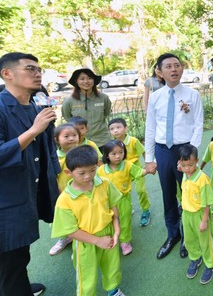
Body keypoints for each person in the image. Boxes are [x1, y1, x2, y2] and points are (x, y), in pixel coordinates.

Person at [0, 52, 60, 296]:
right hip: (0, 198)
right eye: (30, 68)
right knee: (12, 254)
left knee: (17, 251)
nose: (38, 73)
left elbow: (43, 151)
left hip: (25, 190)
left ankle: (7, 289)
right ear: (7, 74)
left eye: (39, 69)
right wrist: (35, 129)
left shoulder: (33, 107)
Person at [145, 53, 204, 260]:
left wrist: (192, 154)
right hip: (163, 151)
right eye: (168, 66)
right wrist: (150, 158)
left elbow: (198, 124)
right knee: (168, 195)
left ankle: (189, 235)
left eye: (177, 65)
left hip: (184, 150)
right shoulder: (155, 97)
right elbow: (150, 127)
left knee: (189, 195)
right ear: (159, 72)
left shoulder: (192, 94)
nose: (174, 69)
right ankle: (173, 234)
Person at [51, 145, 125, 296]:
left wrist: (116, 232)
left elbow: (114, 211)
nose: (88, 176)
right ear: (68, 172)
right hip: (85, 242)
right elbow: (71, 231)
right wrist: (97, 241)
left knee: (112, 267)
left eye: (92, 170)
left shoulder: (104, 183)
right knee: (86, 276)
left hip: (108, 233)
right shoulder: (65, 200)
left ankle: (113, 290)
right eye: (81, 173)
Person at [98, 140, 153, 256]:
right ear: (106, 155)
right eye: (113, 154)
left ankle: (125, 241)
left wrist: (148, 170)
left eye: (121, 152)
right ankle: (111, 239)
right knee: (109, 221)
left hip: (123, 200)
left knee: (125, 221)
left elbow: (138, 172)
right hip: (107, 202)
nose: (118, 156)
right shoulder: (101, 170)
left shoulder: (127, 165)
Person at [177, 144, 213, 285]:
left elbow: (206, 203)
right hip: (187, 214)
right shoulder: (185, 172)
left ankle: (210, 264)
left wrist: (205, 220)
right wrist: (181, 166)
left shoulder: (202, 179)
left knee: (205, 241)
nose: (187, 169)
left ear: (197, 161)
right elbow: (182, 166)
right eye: (184, 165)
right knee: (190, 240)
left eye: (190, 165)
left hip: (200, 215)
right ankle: (195, 258)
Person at [108, 117, 151, 227]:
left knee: (141, 190)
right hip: (122, 170)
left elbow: (143, 152)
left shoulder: (133, 141)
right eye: (112, 129)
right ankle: (128, 208)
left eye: (118, 127)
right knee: (122, 192)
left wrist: (148, 164)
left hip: (135, 168)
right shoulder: (112, 144)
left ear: (126, 128)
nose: (115, 130)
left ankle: (145, 210)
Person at [49, 123, 81, 256]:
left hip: (82, 192)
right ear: (56, 139)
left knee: (81, 216)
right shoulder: (55, 157)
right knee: (63, 217)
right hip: (63, 194)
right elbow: (53, 177)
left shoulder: (82, 152)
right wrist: (59, 192)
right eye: (66, 136)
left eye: (74, 135)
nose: (71, 139)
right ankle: (64, 237)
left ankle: (83, 240)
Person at [62, 68, 112, 148]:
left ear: (94, 80)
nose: (86, 81)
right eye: (82, 79)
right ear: (76, 81)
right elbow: (68, 118)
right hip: (80, 142)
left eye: (89, 78)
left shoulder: (103, 98)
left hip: (102, 141)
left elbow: (107, 113)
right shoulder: (69, 101)